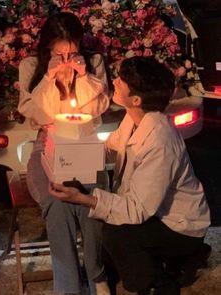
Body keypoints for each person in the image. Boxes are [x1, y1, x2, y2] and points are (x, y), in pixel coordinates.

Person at [49, 56, 211, 295]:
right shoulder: (135, 117)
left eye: (121, 81)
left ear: (136, 99)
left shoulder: (159, 141)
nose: (115, 81)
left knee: (116, 233)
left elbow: (137, 210)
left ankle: (160, 282)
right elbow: (112, 146)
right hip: (153, 210)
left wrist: (85, 198)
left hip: (178, 225)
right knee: (109, 232)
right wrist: (71, 155)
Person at [18, 12, 111, 295]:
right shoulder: (31, 65)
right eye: (61, 51)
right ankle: (68, 286)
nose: (68, 56)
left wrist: (82, 78)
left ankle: (96, 275)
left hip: (85, 144)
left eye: (73, 49)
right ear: (49, 46)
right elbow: (33, 112)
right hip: (47, 143)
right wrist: (49, 78)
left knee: (92, 198)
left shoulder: (93, 63)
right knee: (56, 201)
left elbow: (99, 108)